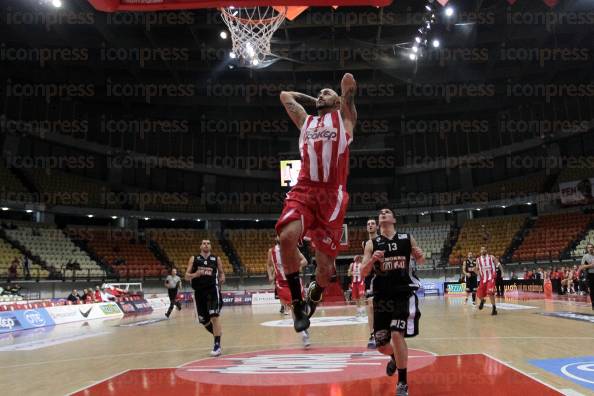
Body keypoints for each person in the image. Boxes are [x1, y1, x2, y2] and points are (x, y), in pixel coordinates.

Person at [275, 73, 357, 332]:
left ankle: (317, 289)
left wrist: (344, 94)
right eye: (319, 92)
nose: (322, 94)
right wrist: (314, 99)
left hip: (332, 196)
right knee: (286, 237)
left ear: (336, 102)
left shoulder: (344, 122)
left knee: (325, 269)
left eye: (326, 92)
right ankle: (298, 303)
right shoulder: (306, 121)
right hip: (305, 190)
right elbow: (285, 95)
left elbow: (349, 94)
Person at [361, 208, 425, 396]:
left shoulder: (406, 238)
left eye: (387, 212)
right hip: (381, 296)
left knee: (397, 334)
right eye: (380, 212)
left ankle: (402, 382)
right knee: (381, 345)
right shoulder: (372, 244)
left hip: (402, 294)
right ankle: (394, 358)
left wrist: (421, 255)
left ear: (394, 219)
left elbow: (420, 261)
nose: (383, 213)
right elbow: (364, 272)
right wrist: (372, 260)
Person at [267, 238, 311, 347]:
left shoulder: (292, 248)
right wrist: (271, 275)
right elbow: (269, 265)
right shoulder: (271, 251)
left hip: (294, 280)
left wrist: (298, 266)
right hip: (282, 283)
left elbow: (304, 261)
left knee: (299, 306)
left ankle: (303, 325)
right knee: (293, 306)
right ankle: (303, 332)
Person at [185, 240, 226, 356]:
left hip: (213, 291)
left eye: (208, 243)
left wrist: (222, 277)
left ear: (211, 246)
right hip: (199, 292)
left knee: (215, 316)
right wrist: (195, 275)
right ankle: (217, 334)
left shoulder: (216, 259)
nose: (206, 245)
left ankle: (217, 345)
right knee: (204, 321)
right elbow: (186, 276)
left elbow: (222, 272)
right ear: (200, 246)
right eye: (204, 243)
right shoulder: (194, 259)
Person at [364, 218, 379, 349]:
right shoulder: (366, 244)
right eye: (368, 224)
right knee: (369, 305)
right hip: (370, 278)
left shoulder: (381, 241)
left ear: (377, 227)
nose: (370, 225)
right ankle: (372, 335)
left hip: (381, 276)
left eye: (373, 223)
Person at [475, 246, 499, 316]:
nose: (483, 250)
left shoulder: (491, 257)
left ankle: (494, 308)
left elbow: (498, 264)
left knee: (490, 293)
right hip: (483, 279)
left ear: (486, 250)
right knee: (478, 294)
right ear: (480, 251)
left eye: (484, 249)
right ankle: (482, 300)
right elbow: (476, 269)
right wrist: (478, 273)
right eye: (482, 249)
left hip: (491, 277)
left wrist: (502, 271)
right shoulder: (478, 259)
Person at [578, 243, 594, 310]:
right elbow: (581, 267)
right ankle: (593, 304)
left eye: (591, 247)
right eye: (588, 247)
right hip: (590, 275)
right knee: (592, 290)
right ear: (587, 249)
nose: (590, 248)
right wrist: (590, 266)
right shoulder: (585, 256)